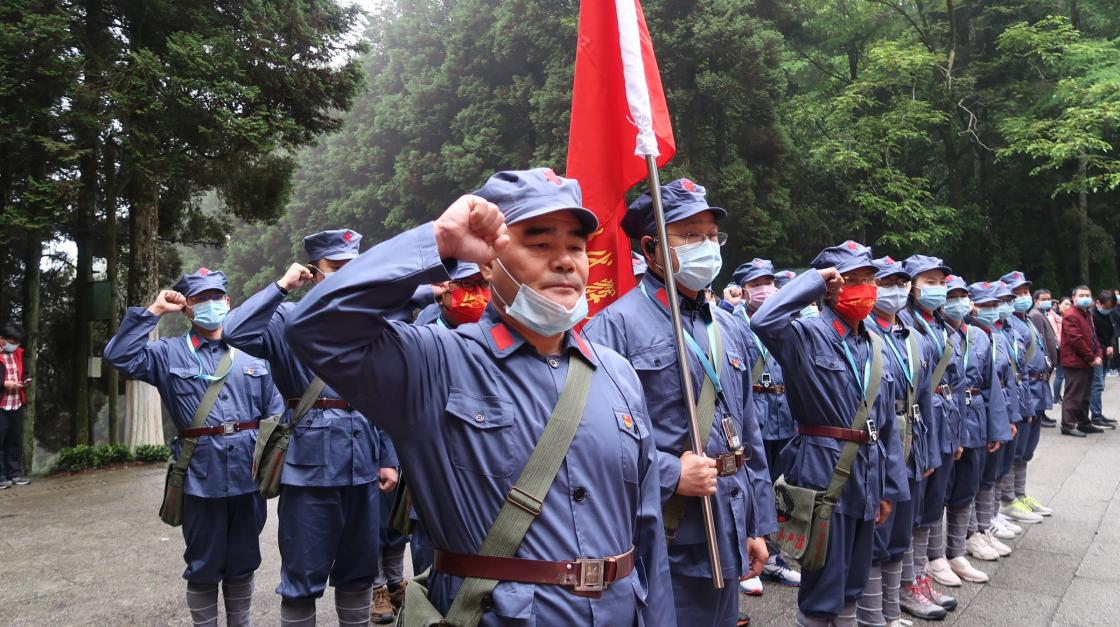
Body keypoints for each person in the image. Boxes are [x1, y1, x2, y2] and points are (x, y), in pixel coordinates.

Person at [284, 168, 674, 626]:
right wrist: (440, 242)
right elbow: (315, 327)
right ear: (489, 262)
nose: (567, 261)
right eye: (540, 243)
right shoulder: (435, 363)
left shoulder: (618, 373)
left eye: (576, 246)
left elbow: (647, 531)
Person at [583, 179, 773, 627]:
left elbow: (748, 429)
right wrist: (671, 474)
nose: (705, 246)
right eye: (689, 235)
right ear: (650, 248)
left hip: (727, 514)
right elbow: (596, 441)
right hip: (666, 527)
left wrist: (757, 522)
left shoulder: (727, 325)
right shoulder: (615, 327)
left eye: (710, 235)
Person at [221, 230, 396, 626]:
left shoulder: (367, 323)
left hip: (363, 468)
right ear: (315, 272)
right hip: (309, 473)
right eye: (336, 269)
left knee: (359, 573)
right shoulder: (286, 319)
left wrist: (387, 456)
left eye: (354, 268)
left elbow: (381, 392)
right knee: (302, 579)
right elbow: (235, 331)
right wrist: (281, 287)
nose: (346, 277)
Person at [104, 269, 284, 627]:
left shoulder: (252, 354)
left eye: (217, 297)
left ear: (229, 302)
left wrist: (272, 469)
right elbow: (119, 357)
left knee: (244, 561)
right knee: (203, 564)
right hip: (202, 476)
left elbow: (275, 412)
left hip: (248, 477)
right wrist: (154, 311)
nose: (212, 305)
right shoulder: (167, 354)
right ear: (187, 309)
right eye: (201, 299)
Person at [751, 240, 908, 627]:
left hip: (868, 473)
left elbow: (885, 421)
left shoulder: (875, 342)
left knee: (854, 580)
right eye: (852, 278)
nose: (866, 286)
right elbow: (762, 320)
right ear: (830, 287)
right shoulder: (804, 335)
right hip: (824, 473)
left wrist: (889, 487)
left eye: (870, 277)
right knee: (822, 584)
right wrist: (813, 281)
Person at [857, 256, 945, 626]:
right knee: (878, 532)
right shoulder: (862, 333)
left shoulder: (912, 338)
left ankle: (893, 609)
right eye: (886, 281)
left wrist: (928, 453)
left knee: (901, 531)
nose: (895, 289)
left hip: (913, 441)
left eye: (901, 282)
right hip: (880, 443)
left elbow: (924, 397)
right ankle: (871, 614)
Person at [722, 258, 801, 597]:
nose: (765, 289)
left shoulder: (783, 322)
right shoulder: (730, 322)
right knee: (750, 489)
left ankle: (775, 557)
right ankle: (746, 558)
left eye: (769, 281)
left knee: (777, 491)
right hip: (754, 415)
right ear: (743, 289)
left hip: (782, 415)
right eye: (757, 283)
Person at [925, 276, 1002, 585]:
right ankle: (934, 556)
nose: (957, 301)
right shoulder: (931, 333)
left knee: (966, 486)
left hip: (973, 418)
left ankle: (956, 550)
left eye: (962, 296)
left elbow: (992, 383)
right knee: (936, 492)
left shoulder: (979, 337)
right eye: (951, 295)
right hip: (944, 417)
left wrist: (996, 426)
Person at [897, 255, 960, 617]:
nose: (937, 288)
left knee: (930, 506)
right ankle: (907, 584)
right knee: (912, 512)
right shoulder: (903, 322)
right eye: (929, 281)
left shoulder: (936, 323)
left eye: (941, 281)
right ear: (912, 284)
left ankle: (919, 576)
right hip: (917, 423)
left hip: (939, 420)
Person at [999, 272, 1055, 523]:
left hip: (1036, 390)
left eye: (1024, 292)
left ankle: (1020, 494)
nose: (1022, 297)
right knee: (1015, 449)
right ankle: (1008, 499)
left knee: (1028, 448)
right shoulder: (1009, 322)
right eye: (1017, 293)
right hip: (1024, 388)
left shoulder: (1027, 320)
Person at [1060, 286, 1104, 437]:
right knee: (1074, 395)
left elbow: (1093, 337)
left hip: (1086, 361)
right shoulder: (1071, 315)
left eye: (1088, 295)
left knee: (1084, 395)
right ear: (1074, 297)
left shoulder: (1087, 314)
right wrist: (1091, 358)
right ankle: (1068, 425)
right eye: (1081, 295)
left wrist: (1098, 353)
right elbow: (1076, 340)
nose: (1085, 297)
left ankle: (1084, 423)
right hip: (1075, 362)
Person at [0, 322, 30, 488]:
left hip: (16, 402)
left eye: (16, 342)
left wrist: (26, 379)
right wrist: (4, 384)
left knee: (14, 440)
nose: (14, 345)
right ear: (1, 339)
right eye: (11, 342)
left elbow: (24, 371)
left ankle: (15, 474)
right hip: (1, 404)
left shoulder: (18, 353)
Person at [1028, 289, 1059, 428]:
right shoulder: (1035, 315)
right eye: (1044, 298)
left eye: (1049, 298)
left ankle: (1043, 414)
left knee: (1044, 389)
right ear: (1036, 301)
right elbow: (1040, 340)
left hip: (1048, 359)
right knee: (1039, 390)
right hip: (1044, 360)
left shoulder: (1041, 313)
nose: (1048, 301)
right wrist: (1047, 358)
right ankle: (1040, 416)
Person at [1090, 290, 1117, 427]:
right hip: (1097, 354)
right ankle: (1095, 416)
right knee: (1097, 385)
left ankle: (1099, 413)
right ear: (1098, 303)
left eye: (1110, 308)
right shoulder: (1092, 315)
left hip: (1107, 353)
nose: (1108, 310)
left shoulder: (1110, 314)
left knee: (1101, 385)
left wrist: (1112, 345)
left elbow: (1113, 330)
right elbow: (1093, 338)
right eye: (1106, 307)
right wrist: (1101, 350)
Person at [1052, 297, 1071, 402]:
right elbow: (1057, 335)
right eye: (1065, 304)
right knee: (1060, 374)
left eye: (1069, 304)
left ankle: (1059, 396)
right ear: (1059, 305)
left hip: (1066, 350)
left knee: (1063, 374)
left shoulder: (1070, 317)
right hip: (1060, 349)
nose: (1068, 307)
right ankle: (1056, 396)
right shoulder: (1056, 317)